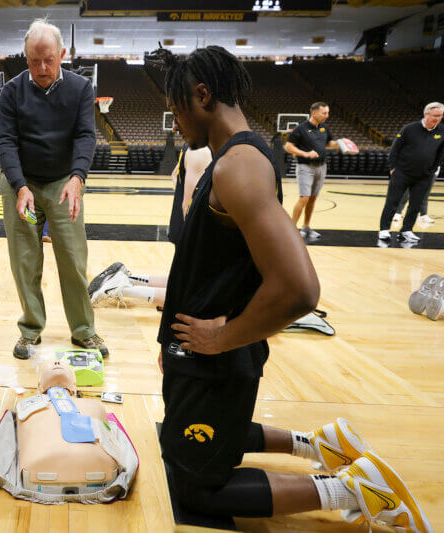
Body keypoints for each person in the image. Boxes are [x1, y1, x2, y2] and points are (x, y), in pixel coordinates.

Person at [148, 46, 430, 529]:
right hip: (201, 359)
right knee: (197, 442)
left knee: (196, 488)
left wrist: (220, 337)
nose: (174, 121)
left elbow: (300, 289)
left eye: (176, 107)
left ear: (202, 94)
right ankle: (319, 445)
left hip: (214, 362)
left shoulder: (239, 166)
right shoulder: (236, 158)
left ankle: (355, 490)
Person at [0, 19, 107, 359]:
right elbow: (5, 141)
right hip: (22, 183)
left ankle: (84, 331)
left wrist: (78, 177)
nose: (42, 68)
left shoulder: (79, 88)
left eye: (48, 60)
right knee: (24, 261)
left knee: (73, 259)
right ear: (25, 57)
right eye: (33, 61)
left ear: (61, 54)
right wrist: (18, 186)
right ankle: (30, 330)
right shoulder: (12, 91)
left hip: (64, 183)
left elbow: (86, 135)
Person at [89, 145, 211, 307]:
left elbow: (174, 176)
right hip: (192, 229)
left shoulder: (193, 148)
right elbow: (189, 204)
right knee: (198, 293)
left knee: (184, 280)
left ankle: (127, 279)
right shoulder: (202, 151)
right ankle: (120, 288)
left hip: (183, 227)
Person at [379, 102, 444, 243]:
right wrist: (393, 167)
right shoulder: (409, 129)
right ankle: (384, 230)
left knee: (415, 204)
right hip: (402, 172)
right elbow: (395, 149)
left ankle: (407, 230)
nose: (438, 118)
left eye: (440, 116)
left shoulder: (442, 130)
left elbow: (440, 153)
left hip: (424, 176)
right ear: (426, 114)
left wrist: (433, 170)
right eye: (435, 115)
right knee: (392, 202)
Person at [284, 102, 341, 240]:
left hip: (322, 167)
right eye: (324, 113)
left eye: (328, 113)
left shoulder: (324, 128)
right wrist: (305, 154)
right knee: (304, 198)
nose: (327, 116)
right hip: (305, 167)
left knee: (313, 198)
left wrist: (341, 143)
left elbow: (328, 144)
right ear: (314, 113)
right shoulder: (300, 129)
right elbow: (288, 146)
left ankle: (306, 227)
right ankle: (292, 229)